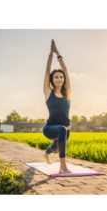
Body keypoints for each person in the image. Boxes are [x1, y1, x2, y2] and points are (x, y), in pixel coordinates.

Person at [42, 39, 72, 173]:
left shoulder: (68, 93)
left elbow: (65, 69)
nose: (59, 79)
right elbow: (47, 71)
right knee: (61, 130)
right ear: (52, 80)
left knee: (57, 144)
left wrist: (58, 53)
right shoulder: (48, 92)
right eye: (56, 77)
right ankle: (63, 167)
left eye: (61, 77)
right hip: (50, 129)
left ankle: (46, 153)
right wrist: (50, 54)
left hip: (65, 128)